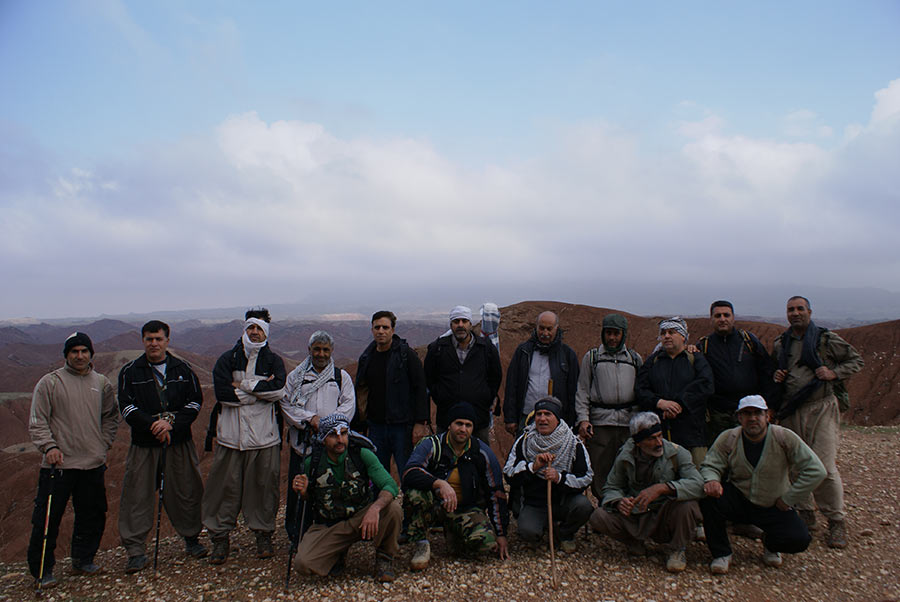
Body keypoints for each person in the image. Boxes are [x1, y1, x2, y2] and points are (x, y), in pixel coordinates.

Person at [27, 332, 119, 587]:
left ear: (91, 354)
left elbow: (111, 416)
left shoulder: (101, 383)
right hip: (58, 464)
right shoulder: (50, 383)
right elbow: (38, 421)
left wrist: (104, 443)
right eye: (74, 351)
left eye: (84, 351)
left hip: (92, 462)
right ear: (66, 355)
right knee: (47, 519)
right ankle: (42, 570)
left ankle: (83, 559)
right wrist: (49, 447)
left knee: (93, 514)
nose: (79, 356)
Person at [771, 295, 864, 548]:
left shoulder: (825, 340)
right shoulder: (782, 343)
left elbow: (856, 360)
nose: (795, 313)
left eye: (800, 309)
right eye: (790, 309)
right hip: (791, 409)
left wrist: (834, 373)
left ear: (810, 312)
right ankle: (805, 512)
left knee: (823, 466)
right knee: (794, 464)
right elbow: (775, 371)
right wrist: (777, 375)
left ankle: (836, 520)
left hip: (821, 407)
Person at [699, 395, 826, 574]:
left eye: (758, 413)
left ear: (767, 416)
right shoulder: (729, 438)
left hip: (773, 503)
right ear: (739, 418)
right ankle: (721, 553)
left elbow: (816, 470)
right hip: (740, 499)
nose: (752, 418)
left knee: (799, 539)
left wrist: (789, 498)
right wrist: (712, 480)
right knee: (708, 497)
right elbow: (711, 464)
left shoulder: (784, 437)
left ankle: (771, 543)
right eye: (747, 413)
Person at [117, 321, 206, 573]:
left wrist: (171, 423)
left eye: (158, 338)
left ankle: (192, 539)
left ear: (167, 340)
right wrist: (153, 424)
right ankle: (135, 550)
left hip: (178, 441)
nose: (153, 343)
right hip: (144, 444)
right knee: (137, 495)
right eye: (148, 339)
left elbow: (195, 402)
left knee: (186, 489)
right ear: (142, 341)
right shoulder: (130, 371)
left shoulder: (182, 369)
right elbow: (126, 407)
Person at [203, 308, 286, 564]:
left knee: (263, 488)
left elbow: (279, 390)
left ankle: (263, 535)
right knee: (223, 489)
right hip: (230, 436)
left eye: (259, 328)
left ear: (266, 332)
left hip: (265, 437)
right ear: (245, 328)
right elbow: (222, 394)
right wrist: (260, 392)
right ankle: (219, 538)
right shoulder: (227, 359)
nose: (254, 332)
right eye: (251, 327)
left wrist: (243, 386)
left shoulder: (274, 361)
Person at [291, 414, 401, 582]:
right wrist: (303, 491)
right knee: (303, 563)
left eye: (343, 433)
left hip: (361, 518)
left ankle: (385, 558)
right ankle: (337, 554)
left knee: (393, 509)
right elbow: (309, 500)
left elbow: (390, 486)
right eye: (333, 435)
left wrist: (375, 508)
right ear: (323, 438)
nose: (340, 439)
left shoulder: (361, 454)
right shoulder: (311, 463)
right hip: (330, 524)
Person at [589, 412, 703, 573]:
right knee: (599, 516)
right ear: (638, 442)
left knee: (688, 506)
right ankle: (634, 542)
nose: (658, 443)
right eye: (651, 439)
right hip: (638, 513)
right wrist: (619, 501)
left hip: (666, 512)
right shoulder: (625, 455)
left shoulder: (677, 453)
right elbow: (611, 487)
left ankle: (677, 549)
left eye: (660, 436)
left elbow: (698, 484)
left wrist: (664, 488)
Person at [402, 402, 509, 571]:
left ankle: (454, 534)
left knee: (486, 544)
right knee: (415, 494)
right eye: (459, 423)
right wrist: (438, 483)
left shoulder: (482, 452)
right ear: (449, 425)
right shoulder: (431, 445)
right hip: (434, 506)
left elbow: (496, 493)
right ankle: (421, 542)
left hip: (465, 508)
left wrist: (501, 534)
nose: (463, 429)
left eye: (468, 425)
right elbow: (409, 472)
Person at [281, 330, 356, 541]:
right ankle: (297, 535)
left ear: (331, 351)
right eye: (317, 349)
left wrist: (326, 426)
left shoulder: (341, 377)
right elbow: (286, 404)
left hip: (331, 446)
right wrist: (309, 419)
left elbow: (348, 406)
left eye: (325, 350)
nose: (321, 354)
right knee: (299, 488)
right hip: (303, 444)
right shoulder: (296, 377)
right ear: (309, 350)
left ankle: (327, 534)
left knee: (328, 489)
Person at [503, 397, 593, 553]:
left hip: (564, 501)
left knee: (584, 506)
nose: (542, 418)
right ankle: (541, 529)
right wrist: (533, 467)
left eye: (548, 414)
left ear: (557, 419)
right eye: (539, 414)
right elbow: (508, 473)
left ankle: (563, 534)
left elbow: (586, 476)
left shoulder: (573, 443)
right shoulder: (524, 441)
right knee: (528, 531)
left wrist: (560, 478)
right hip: (535, 502)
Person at [575, 313, 642, 498]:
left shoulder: (634, 359)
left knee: (628, 468)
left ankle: (625, 511)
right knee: (601, 469)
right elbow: (582, 391)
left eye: (616, 334)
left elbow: (642, 391)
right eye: (609, 333)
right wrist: (583, 420)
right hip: (601, 424)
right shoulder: (592, 358)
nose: (612, 338)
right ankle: (605, 509)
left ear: (624, 334)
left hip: (628, 423)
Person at [354, 311, 430, 475]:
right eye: (377, 327)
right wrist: (360, 420)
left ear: (393, 330)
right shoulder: (367, 357)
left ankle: (410, 500)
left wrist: (420, 422)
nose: (381, 331)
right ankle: (381, 501)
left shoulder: (406, 355)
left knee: (407, 470)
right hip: (376, 425)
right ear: (372, 329)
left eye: (385, 327)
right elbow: (361, 390)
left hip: (402, 425)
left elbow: (420, 388)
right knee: (377, 472)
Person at [635, 317, 714, 467]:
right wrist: (660, 403)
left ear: (683, 336)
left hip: (693, 434)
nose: (666, 336)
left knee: (695, 478)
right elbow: (640, 389)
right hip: (660, 435)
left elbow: (705, 385)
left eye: (672, 332)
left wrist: (678, 404)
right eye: (663, 333)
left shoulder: (695, 359)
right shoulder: (653, 361)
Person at [695, 301, 776, 443]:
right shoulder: (704, 346)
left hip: (751, 411)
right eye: (718, 315)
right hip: (719, 414)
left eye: (726, 315)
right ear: (711, 319)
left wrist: (770, 405)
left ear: (733, 317)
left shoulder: (749, 341)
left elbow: (767, 372)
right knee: (723, 452)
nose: (722, 319)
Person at [424, 306, 503, 444]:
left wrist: (486, 396)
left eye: (464, 321)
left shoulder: (485, 348)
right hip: (447, 417)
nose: (460, 325)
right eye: (456, 321)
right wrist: (441, 396)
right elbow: (429, 378)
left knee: (480, 457)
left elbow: (495, 376)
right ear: (451, 325)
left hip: (478, 417)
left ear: (470, 324)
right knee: (444, 457)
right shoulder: (438, 348)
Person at [503, 311, 579, 435]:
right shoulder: (523, 352)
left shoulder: (567, 354)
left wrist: (572, 421)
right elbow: (512, 385)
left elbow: (573, 390)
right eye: (541, 328)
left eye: (549, 329)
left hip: (556, 420)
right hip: (526, 417)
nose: (545, 333)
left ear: (556, 329)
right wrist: (510, 418)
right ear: (536, 327)